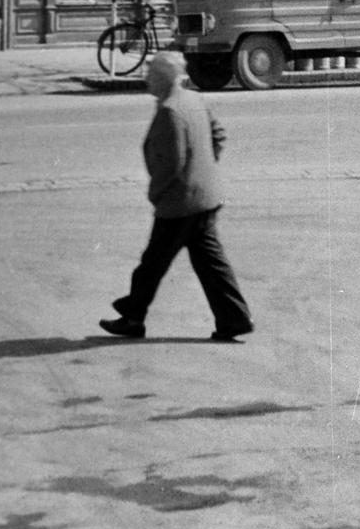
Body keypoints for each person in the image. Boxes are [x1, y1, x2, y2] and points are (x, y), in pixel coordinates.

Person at [99, 52, 253, 342]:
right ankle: (234, 319)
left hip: (180, 202)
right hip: (203, 197)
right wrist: (205, 169)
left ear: (161, 79)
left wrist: (156, 193)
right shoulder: (192, 99)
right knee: (209, 263)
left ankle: (133, 318)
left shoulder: (170, 110)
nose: (147, 80)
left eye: (151, 76)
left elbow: (172, 163)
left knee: (153, 263)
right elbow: (218, 135)